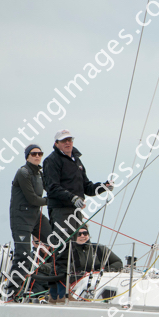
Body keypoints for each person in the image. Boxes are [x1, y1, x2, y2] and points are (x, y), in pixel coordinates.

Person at [42, 129, 112, 301]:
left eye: (70, 140)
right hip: (60, 210)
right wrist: (72, 198)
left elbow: (87, 187)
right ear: (56, 143)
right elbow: (52, 187)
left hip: (75, 211)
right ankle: (56, 295)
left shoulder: (77, 160)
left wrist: (103, 187)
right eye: (64, 140)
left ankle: (65, 293)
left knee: (72, 251)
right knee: (62, 251)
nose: (68, 143)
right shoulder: (51, 160)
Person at [8, 144, 53, 295]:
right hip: (21, 219)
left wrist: (68, 198)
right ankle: (12, 292)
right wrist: (51, 201)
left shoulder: (39, 173)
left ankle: (55, 287)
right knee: (23, 256)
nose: (37, 156)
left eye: (40, 153)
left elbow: (52, 189)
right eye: (33, 154)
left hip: (35, 217)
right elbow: (32, 199)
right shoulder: (23, 172)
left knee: (58, 242)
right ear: (27, 156)